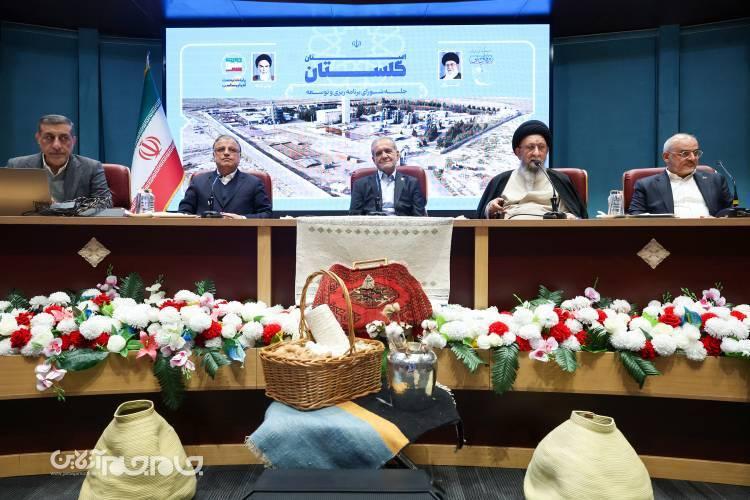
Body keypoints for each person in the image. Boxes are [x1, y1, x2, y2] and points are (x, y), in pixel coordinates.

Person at [476, 120, 587, 219]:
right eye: (530, 147)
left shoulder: (560, 181)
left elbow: (578, 216)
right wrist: (490, 209)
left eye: (541, 147)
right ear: (518, 152)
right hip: (509, 233)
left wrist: (571, 217)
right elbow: (481, 217)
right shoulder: (501, 181)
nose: (536, 153)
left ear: (547, 151)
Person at [6, 114, 112, 207]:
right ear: (38, 139)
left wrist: (61, 207)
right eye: (49, 137)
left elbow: (105, 203)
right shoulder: (16, 166)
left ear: (73, 141)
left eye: (64, 138)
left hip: (74, 223)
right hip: (30, 223)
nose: (56, 145)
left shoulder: (92, 167)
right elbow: (5, 202)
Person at [627, 133, 732, 217]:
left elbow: (732, 212)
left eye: (696, 153)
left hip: (711, 233)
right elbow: (635, 216)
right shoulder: (646, 185)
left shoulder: (715, 180)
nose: (692, 158)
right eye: (685, 154)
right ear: (666, 157)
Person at [178, 135, 272, 218]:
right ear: (214, 155)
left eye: (232, 150)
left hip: (242, 232)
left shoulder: (254, 183)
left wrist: (242, 219)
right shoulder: (198, 181)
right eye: (221, 149)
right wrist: (199, 220)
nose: (226, 153)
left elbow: (266, 214)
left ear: (239, 156)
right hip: (204, 232)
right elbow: (184, 213)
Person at [349, 137, 426, 216]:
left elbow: (419, 216)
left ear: (397, 155)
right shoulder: (360, 185)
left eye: (388, 151)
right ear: (374, 160)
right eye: (379, 153)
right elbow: (354, 217)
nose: (384, 156)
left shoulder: (412, 183)